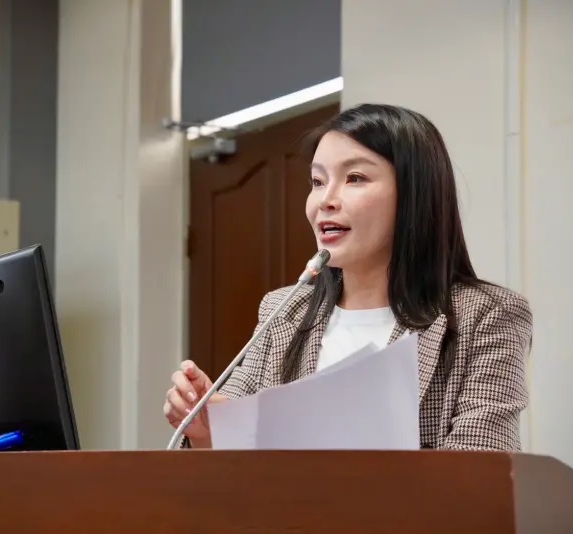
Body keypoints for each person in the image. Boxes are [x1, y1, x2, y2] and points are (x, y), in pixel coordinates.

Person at [163, 103, 533, 451]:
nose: (325, 200)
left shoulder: (485, 316)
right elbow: (231, 460)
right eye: (317, 181)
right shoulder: (283, 312)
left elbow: (482, 470)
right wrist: (209, 431)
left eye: (354, 178)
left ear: (415, 195)